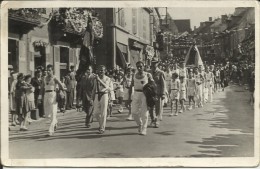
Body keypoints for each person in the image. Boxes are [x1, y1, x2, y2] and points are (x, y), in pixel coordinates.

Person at [39, 64, 65, 136]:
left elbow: (61, 86)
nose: (48, 71)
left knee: (53, 113)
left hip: (53, 95)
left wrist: (60, 91)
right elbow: (41, 88)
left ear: (52, 70)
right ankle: (55, 121)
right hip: (46, 95)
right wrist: (39, 98)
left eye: (49, 70)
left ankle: (50, 131)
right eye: (47, 70)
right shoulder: (44, 78)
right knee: (47, 114)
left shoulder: (55, 78)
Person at [129, 61, 154, 135]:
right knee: (133, 112)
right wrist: (129, 96)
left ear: (144, 66)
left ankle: (144, 129)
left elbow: (153, 85)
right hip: (136, 93)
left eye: (141, 66)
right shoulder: (134, 75)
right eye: (138, 67)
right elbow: (131, 85)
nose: (139, 68)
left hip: (145, 94)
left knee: (144, 112)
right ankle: (139, 123)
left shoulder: (148, 75)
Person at [92, 65, 113, 134]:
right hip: (97, 94)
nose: (100, 72)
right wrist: (92, 98)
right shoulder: (95, 79)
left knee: (103, 112)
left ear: (105, 71)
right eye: (99, 70)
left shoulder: (108, 79)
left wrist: (99, 80)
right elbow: (94, 88)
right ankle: (101, 124)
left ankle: (102, 128)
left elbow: (107, 87)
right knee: (95, 113)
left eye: (102, 70)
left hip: (104, 94)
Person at [149, 58, 166, 127]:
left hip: (157, 92)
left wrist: (163, 93)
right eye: (152, 63)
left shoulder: (161, 72)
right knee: (150, 107)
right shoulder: (148, 72)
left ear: (158, 63)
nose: (153, 64)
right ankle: (153, 119)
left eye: (155, 63)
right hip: (150, 92)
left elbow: (163, 84)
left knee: (158, 107)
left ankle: (157, 121)